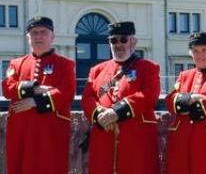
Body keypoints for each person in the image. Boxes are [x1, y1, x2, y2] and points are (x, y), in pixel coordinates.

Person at [81, 21, 161, 174]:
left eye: (123, 39)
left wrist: (116, 112)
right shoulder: (97, 70)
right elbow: (88, 98)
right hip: (104, 136)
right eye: (113, 40)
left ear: (133, 41)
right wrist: (100, 115)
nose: (118, 44)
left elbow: (149, 95)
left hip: (136, 139)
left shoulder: (148, 68)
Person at [2, 16, 76, 174]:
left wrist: (35, 102)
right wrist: (35, 88)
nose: (39, 36)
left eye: (43, 32)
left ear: (52, 36)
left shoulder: (65, 64)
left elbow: (67, 91)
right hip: (21, 132)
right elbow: (7, 88)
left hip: (50, 132)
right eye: (34, 33)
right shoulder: (16, 64)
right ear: (28, 37)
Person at [165, 32, 206, 174]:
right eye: (195, 51)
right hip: (181, 141)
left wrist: (187, 103)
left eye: (204, 50)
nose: (200, 55)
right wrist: (191, 99)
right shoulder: (184, 75)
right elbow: (170, 101)